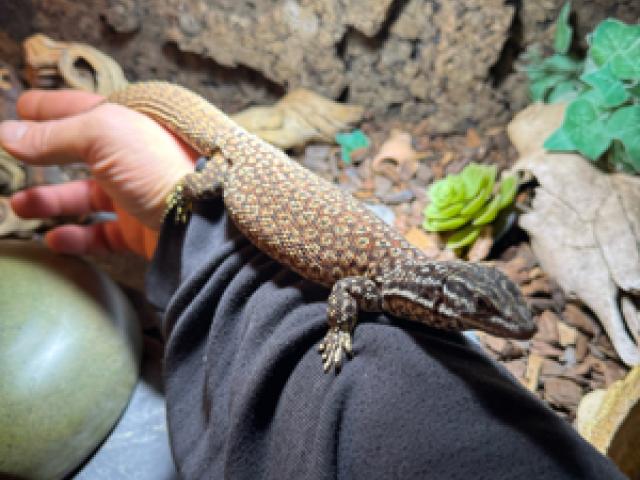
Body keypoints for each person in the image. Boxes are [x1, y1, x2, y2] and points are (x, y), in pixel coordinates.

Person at [0, 89, 626, 479]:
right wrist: (182, 194)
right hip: (240, 168)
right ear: (456, 298)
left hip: (256, 183)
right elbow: (344, 296)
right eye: (487, 307)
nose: (512, 326)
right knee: (209, 181)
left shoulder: (411, 284)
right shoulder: (394, 284)